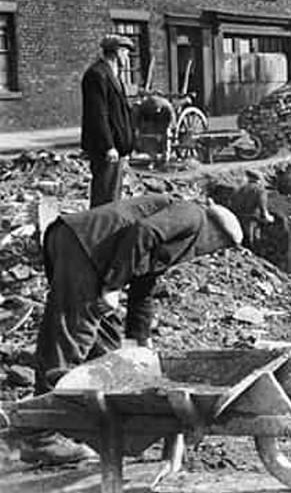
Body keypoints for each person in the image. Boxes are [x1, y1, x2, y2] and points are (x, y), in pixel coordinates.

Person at [19, 195, 242, 465]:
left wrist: (139, 340)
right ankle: (40, 437)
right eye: (219, 246)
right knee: (70, 336)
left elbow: (143, 283)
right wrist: (113, 286)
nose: (212, 253)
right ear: (217, 234)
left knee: (108, 348)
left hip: (80, 245)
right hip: (85, 246)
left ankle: (87, 425)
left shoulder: (179, 236)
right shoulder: (193, 216)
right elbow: (143, 233)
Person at [81, 34, 135, 208]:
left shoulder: (113, 75)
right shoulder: (97, 74)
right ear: (117, 52)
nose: (127, 57)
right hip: (107, 150)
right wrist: (108, 146)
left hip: (117, 149)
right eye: (126, 52)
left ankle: (108, 230)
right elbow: (98, 114)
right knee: (104, 196)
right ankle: (98, 231)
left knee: (113, 195)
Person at [229, 169, 274, 245]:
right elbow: (262, 208)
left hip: (238, 218)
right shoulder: (260, 190)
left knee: (241, 240)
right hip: (252, 220)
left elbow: (231, 203)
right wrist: (269, 218)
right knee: (253, 241)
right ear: (258, 180)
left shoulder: (239, 189)